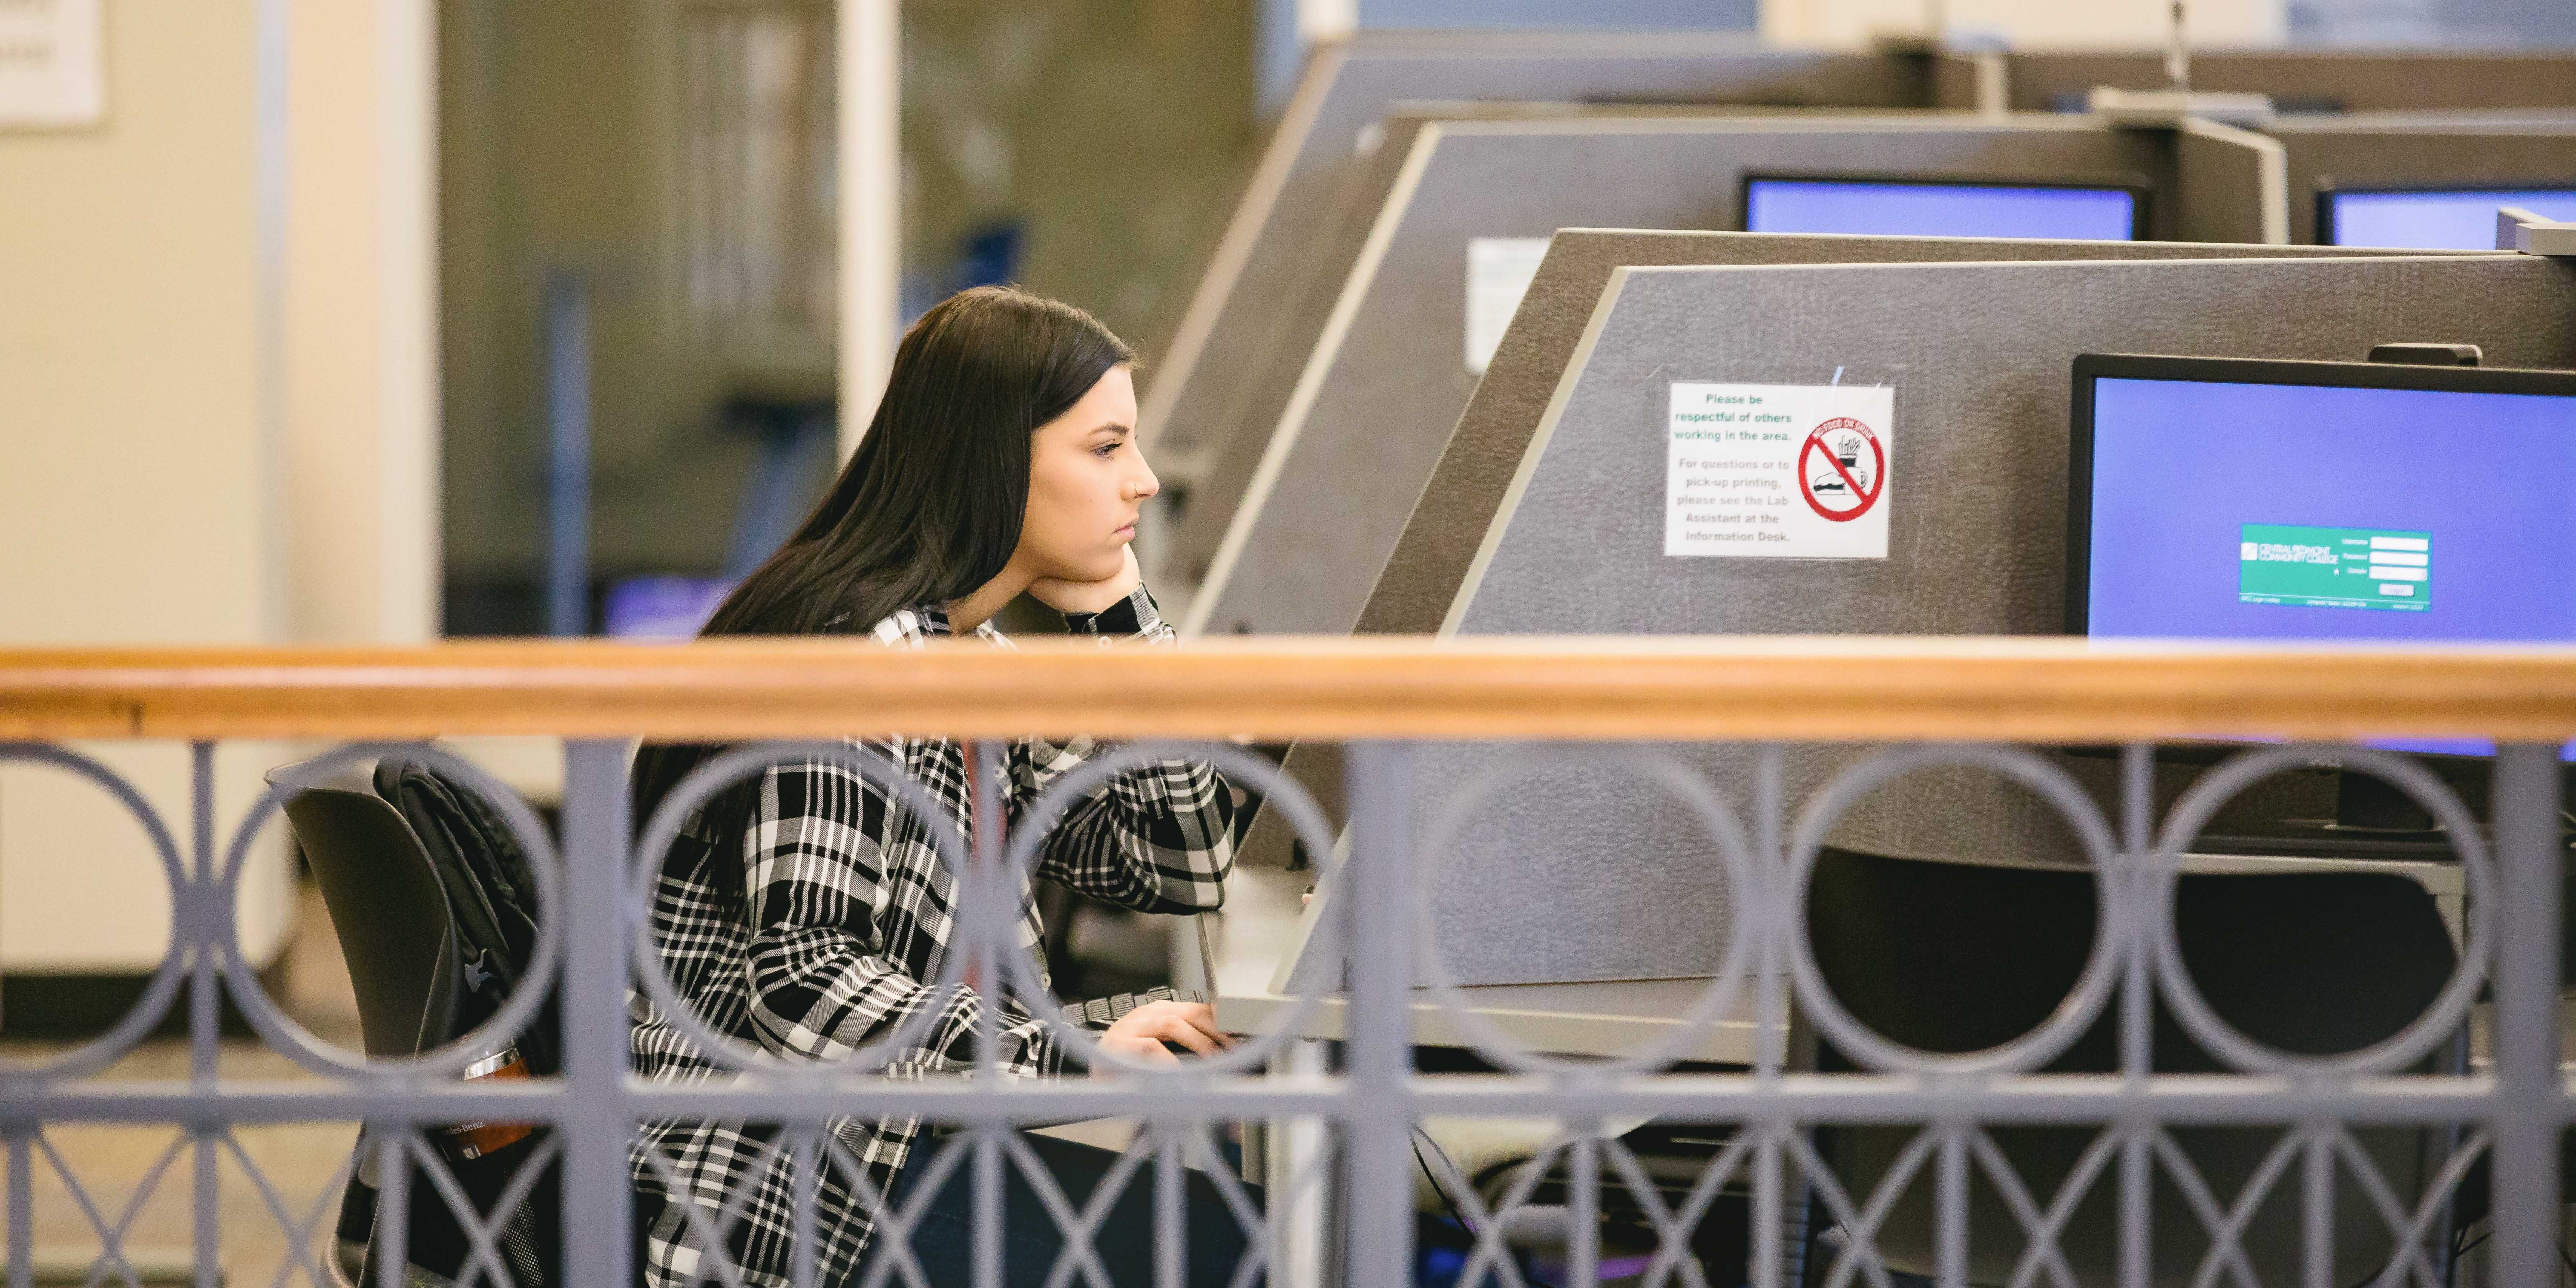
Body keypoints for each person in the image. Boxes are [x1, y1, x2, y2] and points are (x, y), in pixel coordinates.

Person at [628, 287, 1249, 1287]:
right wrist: (1070, 1051)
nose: (1141, 483)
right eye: (1105, 448)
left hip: (909, 1132)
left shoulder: (963, 659)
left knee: (1249, 1197)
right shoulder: (856, 664)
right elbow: (801, 978)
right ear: (1001, 458)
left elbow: (1179, 862)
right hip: (797, 1182)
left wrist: (1123, 618)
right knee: (1257, 1244)